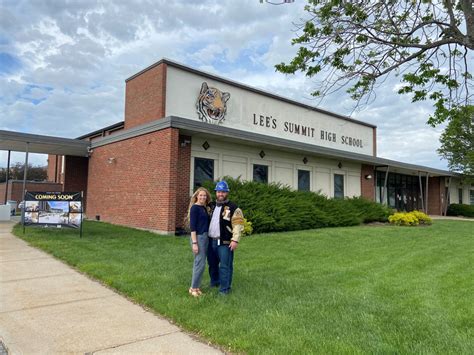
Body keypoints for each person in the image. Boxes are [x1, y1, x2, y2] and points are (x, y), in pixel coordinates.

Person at [207, 180, 244, 295]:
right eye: (218, 192)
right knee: (212, 265)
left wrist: (235, 240)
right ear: (216, 192)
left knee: (225, 266)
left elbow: (238, 225)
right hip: (210, 241)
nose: (220, 194)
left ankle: (225, 289)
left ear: (227, 193)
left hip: (225, 242)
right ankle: (215, 283)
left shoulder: (234, 208)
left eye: (223, 192)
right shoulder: (211, 206)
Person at [187, 187, 211, 297]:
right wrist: (195, 243)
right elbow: (193, 227)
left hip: (205, 237)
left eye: (204, 196)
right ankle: (192, 288)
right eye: (201, 195)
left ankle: (196, 287)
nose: (203, 197)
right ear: (197, 196)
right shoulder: (195, 208)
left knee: (201, 263)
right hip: (198, 237)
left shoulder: (204, 208)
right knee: (199, 263)